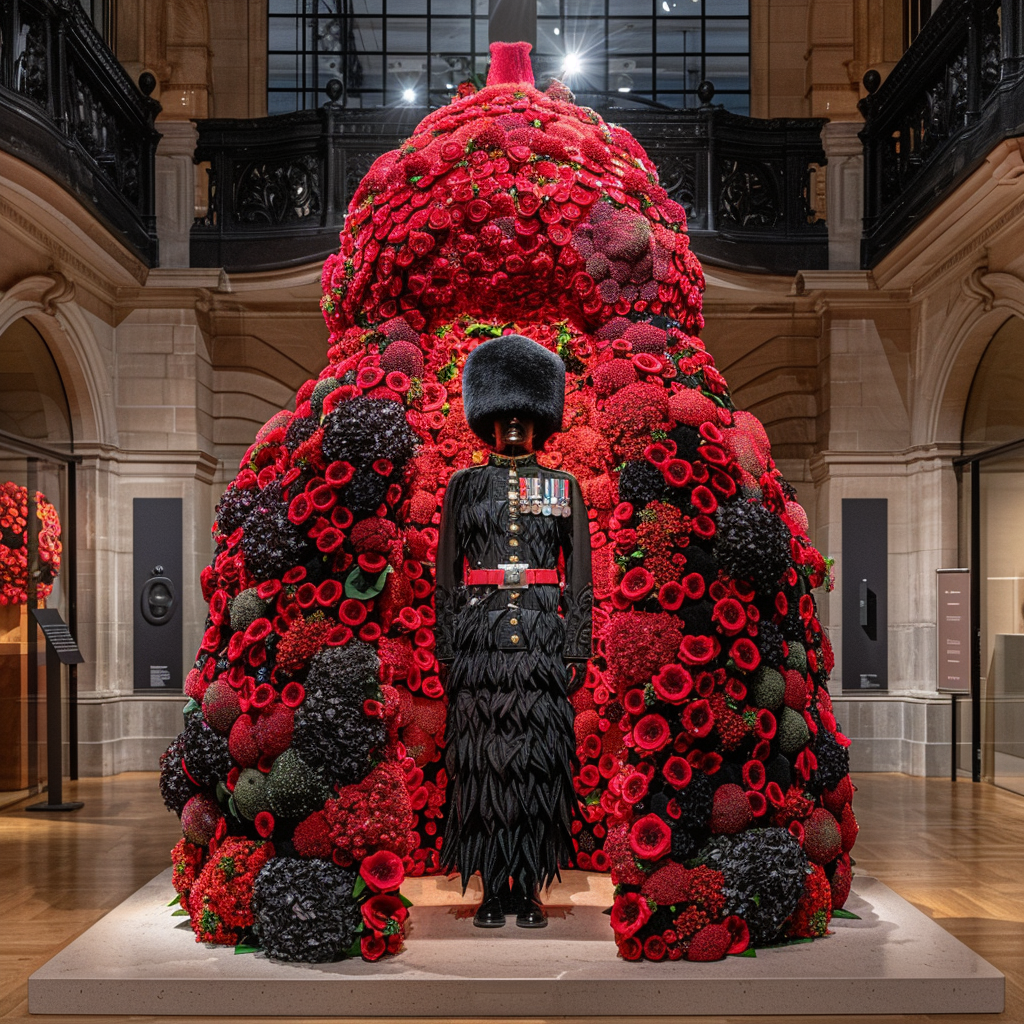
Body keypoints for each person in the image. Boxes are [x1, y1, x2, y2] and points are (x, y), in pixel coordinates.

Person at [434, 334, 593, 928]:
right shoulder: (464, 488)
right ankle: (489, 887)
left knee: (536, 763)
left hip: (543, 644)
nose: (515, 427)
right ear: (487, 420)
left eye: (525, 416)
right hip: (478, 644)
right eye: (504, 416)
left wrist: (577, 642)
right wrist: (446, 648)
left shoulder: (563, 487)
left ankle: (525, 887)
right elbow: (446, 572)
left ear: (541, 421)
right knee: (482, 763)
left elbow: (579, 573)